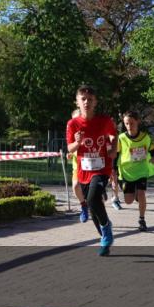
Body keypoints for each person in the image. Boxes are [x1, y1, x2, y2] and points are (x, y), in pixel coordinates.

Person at [66, 85, 119, 256]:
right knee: (91, 204)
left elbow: (114, 134)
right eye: (83, 99)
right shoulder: (73, 124)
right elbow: (70, 148)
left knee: (93, 197)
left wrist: (113, 148)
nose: (86, 102)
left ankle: (106, 229)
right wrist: (78, 142)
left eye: (90, 99)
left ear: (95, 102)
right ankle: (104, 234)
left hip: (102, 167)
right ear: (77, 102)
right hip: (84, 170)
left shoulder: (104, 121)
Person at [115, 111, 154, 232]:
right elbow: (116, 154)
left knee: (141, 194)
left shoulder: (145, 137)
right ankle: (133, 192)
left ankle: (142, 220)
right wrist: (114, 170)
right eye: (126, 123)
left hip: (141, 170)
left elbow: (153, 149)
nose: (129, 126)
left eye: (132, 123)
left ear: (137, 122)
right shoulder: (121, 138)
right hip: (126, 172)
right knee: (128, 201)